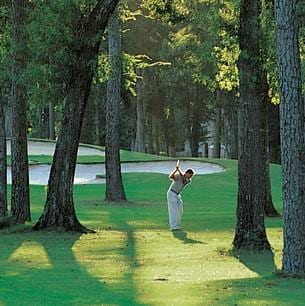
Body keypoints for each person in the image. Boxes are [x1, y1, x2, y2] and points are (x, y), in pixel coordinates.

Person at [167, 164, 195, 231]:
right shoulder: (178, 175)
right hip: (171, 193)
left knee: (180, 210)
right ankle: (173, 227)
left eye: (191, 176)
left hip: (177, 195)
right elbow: (171, 177)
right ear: (187, 173)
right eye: (190, 175)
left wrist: (179, 170)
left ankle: (177, 225)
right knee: (173, 211)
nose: (191, 177)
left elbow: (183, 179)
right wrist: (175, 170)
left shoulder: (188, 180)